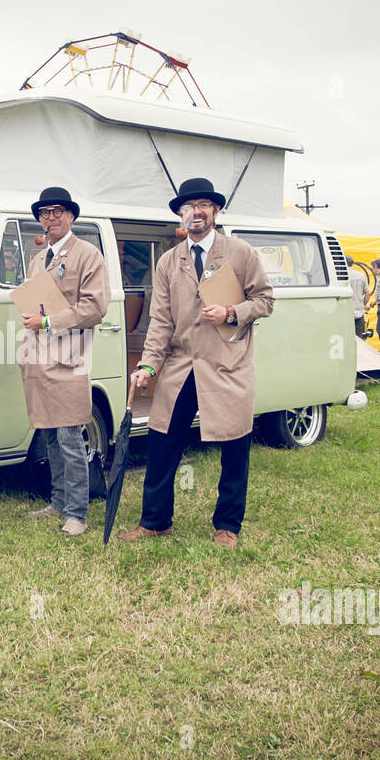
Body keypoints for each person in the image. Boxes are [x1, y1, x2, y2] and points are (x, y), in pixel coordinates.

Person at [116, 177, 274, 549]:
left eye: (204, 205)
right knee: (161, 442)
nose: (196, 212)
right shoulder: (170, 261)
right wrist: (149, 366)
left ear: (215, 211)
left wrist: (232, 311)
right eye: (189, 207)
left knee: (235, 446)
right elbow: (160, 321)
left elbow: (265, 300)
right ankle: (155, 522)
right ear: (181, 216)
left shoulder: (240, 253)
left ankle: (227, 526)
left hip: (227, 364)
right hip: (182, 365)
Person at [19, 186, 110, 538]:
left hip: (70, 360)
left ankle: (78, 513)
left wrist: (46, 322)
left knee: (71, 435)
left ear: (71, 215)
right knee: (50, 435)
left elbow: (95, 308)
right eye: (44, 212)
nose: (50, 217)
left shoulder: (88, 255)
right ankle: (57, 501)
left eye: (57, 211)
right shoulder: (37, 258)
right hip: (39, 360)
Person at [347, 255, 372, 338]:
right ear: (352, 263)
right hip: (359, 310)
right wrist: (363, 304)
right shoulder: (361, 275)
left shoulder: (340, 275)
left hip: (345, 310)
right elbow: (368, 293)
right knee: (359, 338)